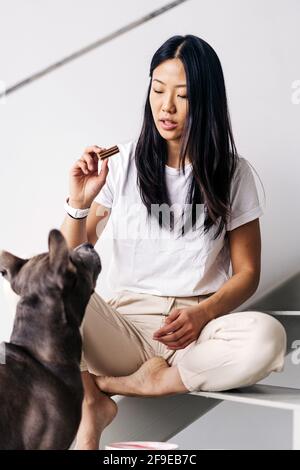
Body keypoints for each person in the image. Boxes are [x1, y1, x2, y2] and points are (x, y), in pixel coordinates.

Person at [60, 35, 287, 450]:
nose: (166, 107)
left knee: (268, 336)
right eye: (158, 90)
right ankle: (93, 402)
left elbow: (248, 273)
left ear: (206, 102)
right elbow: (72, 259)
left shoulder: (233, 174)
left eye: (182, 96)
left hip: (196, 333)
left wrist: (202, 315)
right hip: (123, 327)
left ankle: (152, 383)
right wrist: (79, 202)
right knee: (48, 283)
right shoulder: (122, 164)